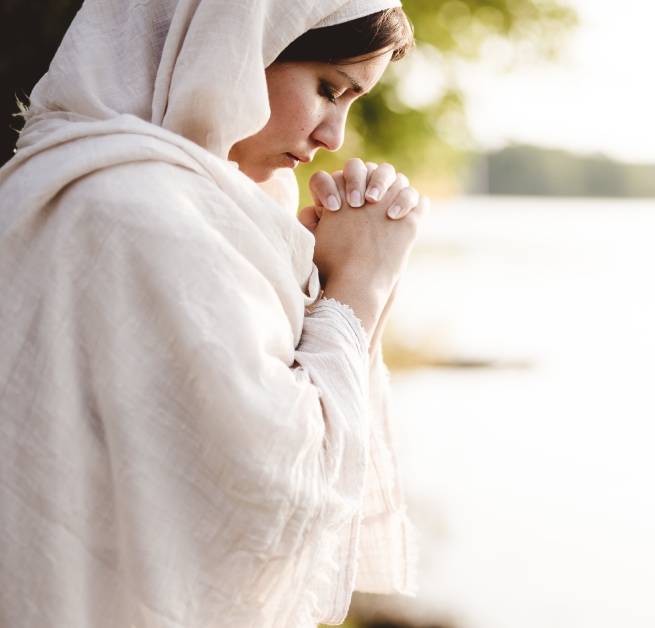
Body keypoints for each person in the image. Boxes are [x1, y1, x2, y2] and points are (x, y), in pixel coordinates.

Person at [0, 1, 430, 626]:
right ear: (233, 43)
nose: (333, 137)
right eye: (328, 89)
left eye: (350, 103)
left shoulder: (184, 200)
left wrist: (321, 279)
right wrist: (359, 288)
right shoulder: (127, 208)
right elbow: (279, 491)